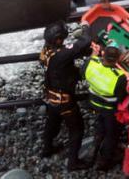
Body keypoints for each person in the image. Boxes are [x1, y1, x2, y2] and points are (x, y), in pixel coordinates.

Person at [39, 21, 92, 171]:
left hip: (50, 97)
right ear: (58, 39)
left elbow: (65, 57)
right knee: (77, 129)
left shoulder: (46, 50)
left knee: (52, 123)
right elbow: (85, 41)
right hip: (65, 101)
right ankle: (73, 162)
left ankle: (47, 149)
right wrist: (85, 27)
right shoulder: (62, 54)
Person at [82, 45, 128, 170]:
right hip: (109, 109)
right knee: (111, 135)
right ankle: (104, 162)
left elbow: (83, 72)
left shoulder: (91, 63)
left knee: (100, 127)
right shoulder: (119, 77)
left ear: (103, 54)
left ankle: (92, 152)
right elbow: (122, 97)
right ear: (117, 60)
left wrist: (93, 55)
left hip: (93, 102)